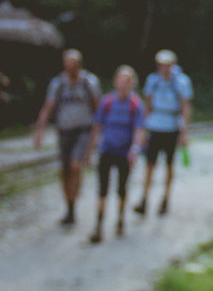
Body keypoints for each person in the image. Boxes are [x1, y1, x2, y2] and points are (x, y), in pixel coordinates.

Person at [33, 48, 101, 226]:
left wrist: (98, 134)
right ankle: (69, 206)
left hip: (83, 130)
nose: (69, 69)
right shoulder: (58, 84)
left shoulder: (89, 82)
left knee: (75, 166)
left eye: (72, 66)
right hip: (64, 131)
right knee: (65, 171)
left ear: (79, 66)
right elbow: (48, 107)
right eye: (66, 66)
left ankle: (74, 203)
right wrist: (39, 130)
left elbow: (98, 109)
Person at [86, 66, 146, 243]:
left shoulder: (135, 104)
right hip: (107, 149)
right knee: (102, 189)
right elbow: (97, 126)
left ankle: (120, 219)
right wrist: (90, 149)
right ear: (115, 81)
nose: (123, 84)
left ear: (132, 83)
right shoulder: (107, 102)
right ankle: (99, 225)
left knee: (122, 188)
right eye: (121, 79)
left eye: (127, 80)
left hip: (124, 152)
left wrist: (135, 149)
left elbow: (138, 129)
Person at [133, 49, 192, 217]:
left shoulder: (181, 82)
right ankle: (144, 199)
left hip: (172, 127)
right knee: (150, 164)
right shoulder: (153, 81)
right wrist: (143, 128)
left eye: (166, 65)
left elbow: (185, 106)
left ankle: (165, 198)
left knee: (169, 165)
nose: (163, 68)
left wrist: (184, 131)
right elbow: (148, 105)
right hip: (155, 126)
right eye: (161, 65)